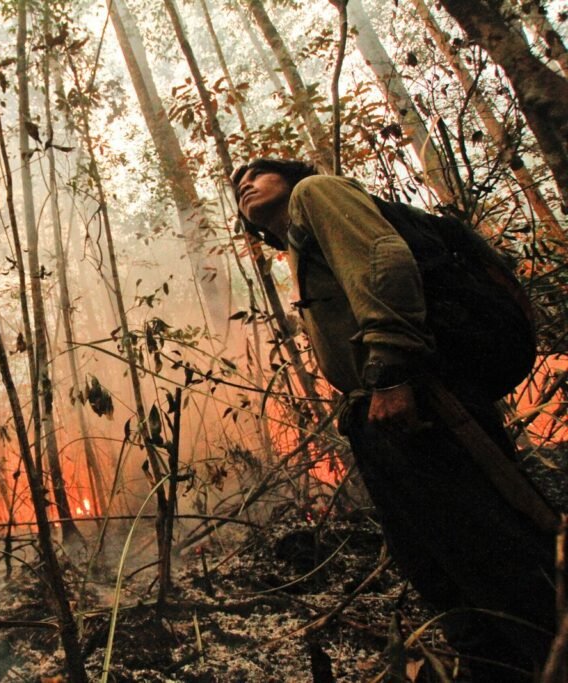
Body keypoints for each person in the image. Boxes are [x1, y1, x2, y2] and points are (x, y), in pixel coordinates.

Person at [232, 158, 557, 681]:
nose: (244, 181)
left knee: (495, 549)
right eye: (237, 185)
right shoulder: (298, 243)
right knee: (439, 567)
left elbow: (385, 260)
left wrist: (390, 368)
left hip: (423, 401)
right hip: (383, 410)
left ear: (292, 177)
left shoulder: (316, 193)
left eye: (258, 172)